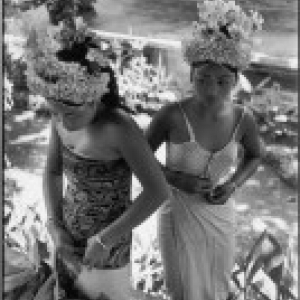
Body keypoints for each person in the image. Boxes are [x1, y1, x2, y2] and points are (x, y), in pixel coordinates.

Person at [26, 17, 170, 300]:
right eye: (56, 112)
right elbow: (53, 172)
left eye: (70, 114)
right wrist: (55, 228)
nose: (63, 123)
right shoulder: (60, 116)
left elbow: (158, 191)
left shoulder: (119, 128)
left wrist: (106, 240)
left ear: (93, 98)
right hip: (66, 236)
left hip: (107, 248)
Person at [145, 0, 264, 299]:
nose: (212, 90)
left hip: (221, 216)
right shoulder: (171, 115)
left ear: (237, 81)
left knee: (217, 287)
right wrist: (173, 178)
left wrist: (234, 184)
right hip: (178, 215)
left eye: (223, 81)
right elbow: (138, 158)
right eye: (203, 80)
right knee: (184, 289)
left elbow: (256, 154)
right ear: (190, 77)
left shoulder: (243, 119)